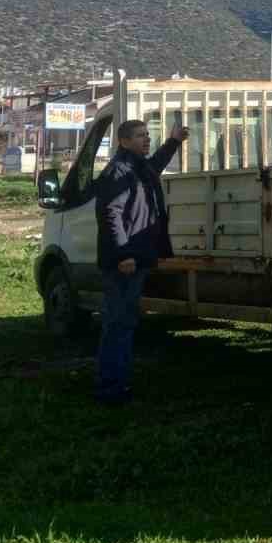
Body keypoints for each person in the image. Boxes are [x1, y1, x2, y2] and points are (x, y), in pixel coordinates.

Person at [94, 117, 187, 404]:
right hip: (126, 261)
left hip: (136, 258)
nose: (146, 139)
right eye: (139, 136)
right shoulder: (118, 172)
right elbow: (111, 216)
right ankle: (111, 389)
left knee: (125, 323)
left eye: (147, 135)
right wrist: (124, 255)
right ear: (123, 141)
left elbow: (155, 164)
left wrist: (173, 141)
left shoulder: (138, 167)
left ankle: (116, 385)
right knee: (118, 324)